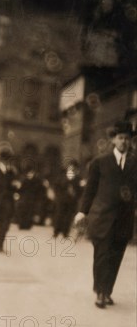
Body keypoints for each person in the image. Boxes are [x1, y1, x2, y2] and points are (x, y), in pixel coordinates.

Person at [74, 121, 136, 308]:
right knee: (101, 255)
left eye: (127, 138)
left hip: (124, 219)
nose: (124, 142)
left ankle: (107, 291)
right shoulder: (100, 162)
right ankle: (100, 292)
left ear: (131, 141)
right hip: (102, 218)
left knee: (116, 257)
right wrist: (82, 212)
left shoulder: (135, 163)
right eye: (120, 138)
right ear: (113, 139)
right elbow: (90, 190)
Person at [52, 160, 83, 238]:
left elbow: (80, 190)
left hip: (72, 200)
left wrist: (75, 195)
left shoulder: (78, 178)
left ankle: (65, 232)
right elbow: (56, 187)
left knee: (68, 217)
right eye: (70, 167)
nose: (71, 169)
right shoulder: (62, 176)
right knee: (59, 215)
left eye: (73, 168)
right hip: (62, 199)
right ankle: (56, 231)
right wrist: (58, 195)